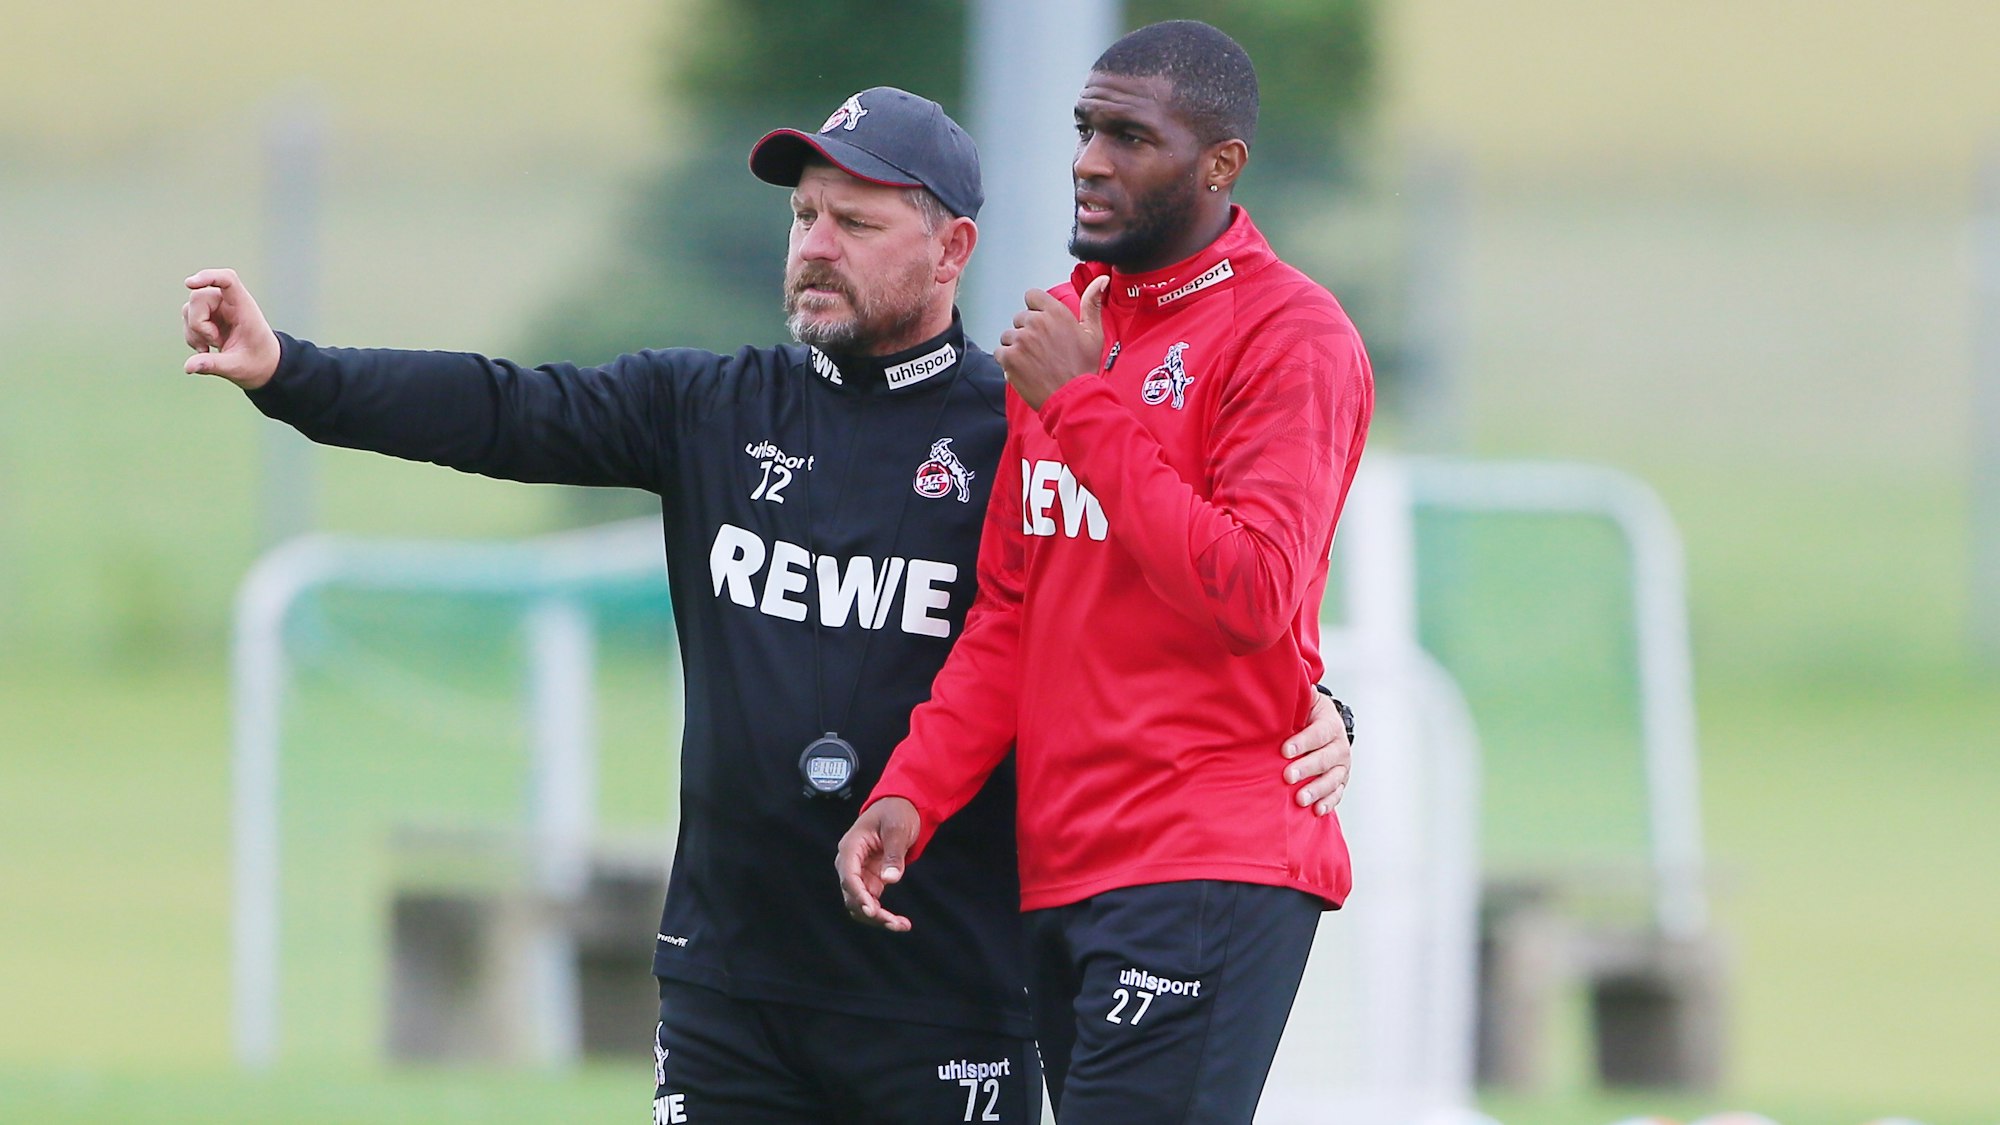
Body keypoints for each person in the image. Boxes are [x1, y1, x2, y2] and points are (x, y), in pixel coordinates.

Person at [180, 85, 1351, 1124]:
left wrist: (1322, 707)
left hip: (942, 988)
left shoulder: (1025, 425)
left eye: (855, 220)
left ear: (951, 251)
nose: (815, 245)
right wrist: (293, 372)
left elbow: (1181, 593)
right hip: (727, 984)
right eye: (802, 217)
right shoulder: (710, 407)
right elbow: (499, 410)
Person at [837, 22, 1375, 1124]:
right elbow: (1010, 613)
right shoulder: (1072, 326)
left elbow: (1252, 591)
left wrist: (1083, 407)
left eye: (1129, 136)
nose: (1088, 158)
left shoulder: (1288, 336)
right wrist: (913, 788)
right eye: (1085, 129)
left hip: (1206, 857)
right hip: (1066, 866)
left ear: (1218, 165)